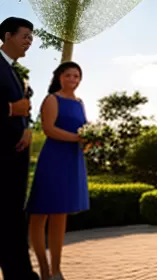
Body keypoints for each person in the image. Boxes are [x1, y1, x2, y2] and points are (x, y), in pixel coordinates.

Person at [27, 62, 90, 280]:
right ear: (59, 77)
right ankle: (43, 269)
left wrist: (91, 140)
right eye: (69, 75)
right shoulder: (52, 99)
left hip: (73, 160)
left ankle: (56, 270)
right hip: (54, 159)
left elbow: (84, 129)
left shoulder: (80, 103)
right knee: (40, 214)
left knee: (60, 215)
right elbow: (49, 129)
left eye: (76, 76)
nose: (73, 80)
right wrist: (77, 138)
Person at [1, 16, 37, 280]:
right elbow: (12, 108)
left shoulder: (12, 70)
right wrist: (12, 109)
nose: (29, 42)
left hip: (13, 159)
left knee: (12, 220)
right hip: (1, 160)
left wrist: (25, 126)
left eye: (31, 38)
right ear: (7, 36)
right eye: (25, 36)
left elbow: (22, 109)